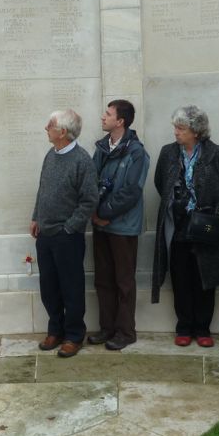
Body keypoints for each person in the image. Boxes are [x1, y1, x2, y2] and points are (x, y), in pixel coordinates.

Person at [152, 105, 219, 348]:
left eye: (181, 128)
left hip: (206, 227)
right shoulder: (168, 153)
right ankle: (184, 327)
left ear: (196, 132)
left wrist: (214, 212)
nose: (176, 132)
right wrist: (177, 203)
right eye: (176, 127)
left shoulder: (217, 153)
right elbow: (160, 182)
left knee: (204, 277)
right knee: (180, 276)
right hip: (178, 225)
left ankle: (203, 328)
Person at [31, 109, 98, 358]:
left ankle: (73, 335)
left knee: (71, 287)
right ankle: (55, 330)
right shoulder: (51, 154)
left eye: (49, 125)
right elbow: (42, 189)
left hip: (67, 236)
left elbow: (89, 200)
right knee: (49, 286)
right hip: (45, 234)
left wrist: (70, 227)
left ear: (62, 132)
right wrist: (36, 216)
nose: (45, 128)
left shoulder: (82, 161)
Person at [88, 100, 150, 351]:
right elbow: (90, 181)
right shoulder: (102, 148)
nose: (103, 117)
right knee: (103, 279)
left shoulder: (136, 152)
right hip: (101, 226)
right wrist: (94, 212)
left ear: (120, 121)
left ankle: (126, 331)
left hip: (122, 227)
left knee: (124, 281)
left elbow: (131, 191)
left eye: (108, 114)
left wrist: (104, 213)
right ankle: (107, 328)